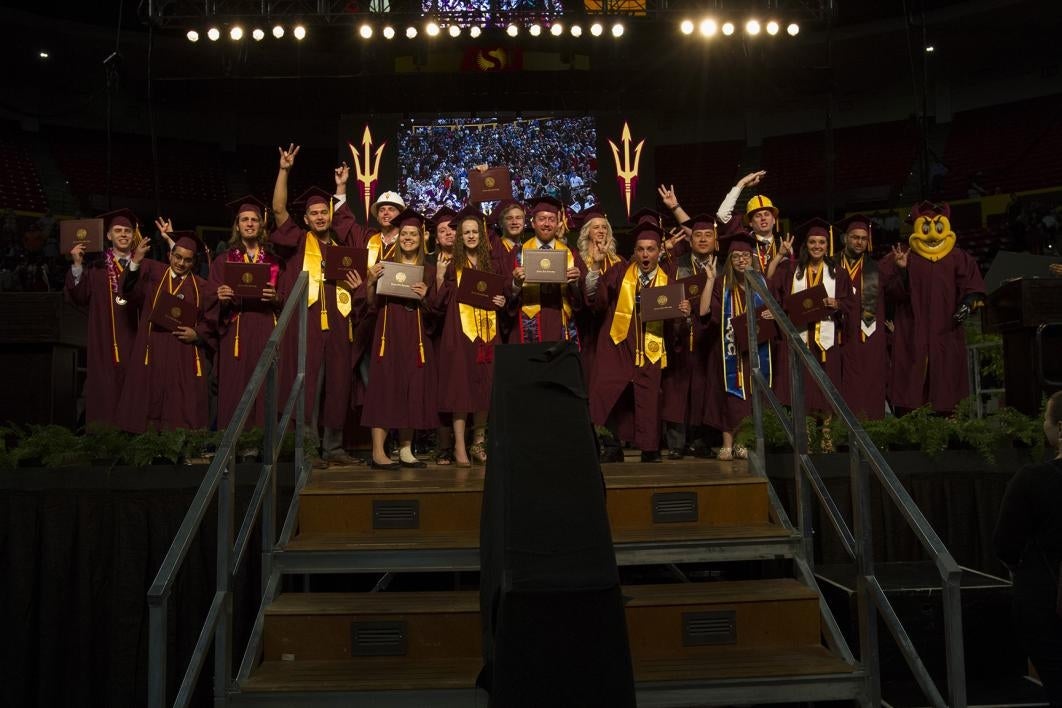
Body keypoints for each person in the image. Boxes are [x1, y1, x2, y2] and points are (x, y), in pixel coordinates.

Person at [271, 145, 364, 466]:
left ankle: (334, 447)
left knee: (339, 383)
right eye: (314, 214)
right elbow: (279, 209)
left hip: (340, 322)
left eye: (324, 212)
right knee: (308, 383)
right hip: (307, 323)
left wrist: (340, 188)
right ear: (307, 219)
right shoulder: (298, 241)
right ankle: (309, 448)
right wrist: (284, 170)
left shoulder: (343, 243)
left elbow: (346, 219)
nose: (320, 217)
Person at [586, 221, 694, 462]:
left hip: (651, 346)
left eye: (651, 249)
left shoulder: (669, 281)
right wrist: (595, 265)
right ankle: (611, 445)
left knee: (649, 395)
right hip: (619, 344)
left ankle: (649, 448)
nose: (645, 254)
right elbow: (598, 300)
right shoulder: (620, 272)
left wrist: (684, 315)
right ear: (634, 252)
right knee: (607, 390)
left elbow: (677, 328)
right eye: (641, 249)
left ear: (659, 252)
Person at [883, 201, 986, 414]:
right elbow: (891, 292)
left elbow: (973, 287)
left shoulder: (958, 256)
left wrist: (967, 306)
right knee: (911, 374)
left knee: (946, 376)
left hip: (946, 327)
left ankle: (949, 426)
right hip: (913, 327)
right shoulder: (903, 255)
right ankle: (910, 427)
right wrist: (902, 270)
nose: (932, 233)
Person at [994, 391, 1062, 706]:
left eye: (1046, 419)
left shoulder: (1033, 480)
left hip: (1047, 600)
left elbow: (1006, 544)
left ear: (1059, 429)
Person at [362, 209, 439, 469]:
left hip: (416, 336)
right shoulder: (384, 266)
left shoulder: (427, 271)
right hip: (389, 333)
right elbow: (370, 305)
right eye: (404, 234)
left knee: (413, 386)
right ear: (398, 237)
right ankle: (378, 452)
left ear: (421, 238)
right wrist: (370, 283)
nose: (408, 238)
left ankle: (406, 449)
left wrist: (426, 295)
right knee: (384, 387)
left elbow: (436, 309)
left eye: (413, 234)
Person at [115, 232, 215, 433]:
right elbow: (128, 292)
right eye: (177, 257)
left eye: (187, 260)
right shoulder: (154, 275)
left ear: (193, 262)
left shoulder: (201, 287)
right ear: (170, 255)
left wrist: (197, 334)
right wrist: (135, 262)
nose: (181, 263)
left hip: (183, 352)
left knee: (180, 406)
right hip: (153, 348)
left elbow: (211, 320)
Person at [432, 207, 507, 467]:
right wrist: (440, 277)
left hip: (487, 335)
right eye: (466, 232)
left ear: (482, 235)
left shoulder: (492, 264)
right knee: (460, 389)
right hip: (459, 334)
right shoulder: (452, 264)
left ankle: (478, 442)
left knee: (485, 387)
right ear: (460, 237)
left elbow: (501, 296)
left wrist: (501, 300)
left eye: (475, 231)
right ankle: (459, 446)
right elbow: (437, 304)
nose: (472, 236)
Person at [65, 208, 148, 427]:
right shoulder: (95, 269)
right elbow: (79, 295)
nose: (123, 235)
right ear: (109, 235)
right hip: (104, 342)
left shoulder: (144, 267)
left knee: (136, 390)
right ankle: (104, 443)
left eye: (128, 231)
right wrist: (76, 264)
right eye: (118, 230)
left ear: (133, 235)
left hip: (135, 340)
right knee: (105, 390)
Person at [208, 195, 283, 429]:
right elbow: (209, 297)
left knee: (264, 385)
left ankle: (261, 441)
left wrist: (277, 297)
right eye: (244, 220)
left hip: (264, 328)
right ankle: (232, 444)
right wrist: (219, 296)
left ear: (261, 225)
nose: (249, 224)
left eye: (254, 220)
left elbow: (287, 297)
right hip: (236, 330)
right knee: (235, 384)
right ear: (237, 225)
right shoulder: (223, 260)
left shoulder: (275, 261)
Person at [771, 219, 854, 423]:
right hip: (800, 337)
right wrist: (780, 255)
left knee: (827, 385)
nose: (817, 246)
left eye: (822, 242)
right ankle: (805, 432)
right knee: (803, 385)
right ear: (805, 245)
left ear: (828, 245)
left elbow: (850, 303)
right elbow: (770, 282)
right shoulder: (792, 270)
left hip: (826, 339)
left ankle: (827, 434)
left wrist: (837, 303)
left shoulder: (838, 273)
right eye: (812, 242)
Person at [705, 233, 771, 460]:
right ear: (730, 260)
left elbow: (773, 313)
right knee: (728, 393)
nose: (742, 260)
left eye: (746, 255)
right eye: (736, 256)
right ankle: (727, 441)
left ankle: (743, 439)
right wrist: (710, 280)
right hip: (727, 348)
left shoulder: (762, 283)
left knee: (751, 393)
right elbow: (706, 313)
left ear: (752, 258)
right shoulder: (722, 284)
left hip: (753, 348)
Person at [660, 215, 719, 458]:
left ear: (715, 241)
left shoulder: (722, 267)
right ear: (690, 239)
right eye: (698, 235)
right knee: (676, 388)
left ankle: (700, 441)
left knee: (703, 388)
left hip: (708, 339)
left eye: (708, 235)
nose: (703, 239)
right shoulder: (677, 264)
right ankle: (676, 444)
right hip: (679, 338)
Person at [509, 196, 587, 344]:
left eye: (551, 219)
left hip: (561, 325)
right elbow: (506, 295)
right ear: (533, 223)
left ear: (558, 224)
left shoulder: (571, 253)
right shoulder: (517, 254)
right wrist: (516, 283)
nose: (546, 224)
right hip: (526, 326)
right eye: (541, 219)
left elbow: (583, 300)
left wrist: (575, 283)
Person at [836, 214, 888, 419]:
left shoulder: (875, 269)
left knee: (870, 382)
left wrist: (902, 270)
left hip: (868, 337)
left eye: (863, 239)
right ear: (845, 239)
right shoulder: (831, 266)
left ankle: (873, 431)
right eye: (855, 237)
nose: (859, 242)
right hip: (840, 336)